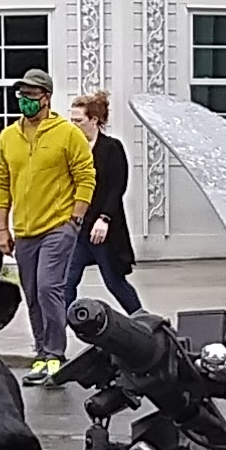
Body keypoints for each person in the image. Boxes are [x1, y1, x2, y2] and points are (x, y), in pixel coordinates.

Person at [0, 67, 93, 379]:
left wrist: (76, 219)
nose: (25, 100)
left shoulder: (68, 134)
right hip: (25, 229)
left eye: (31, 95)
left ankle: (55, 353)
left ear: (46, 97)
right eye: (21, 95)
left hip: (58, 225)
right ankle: (41, 351)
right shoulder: (9, 136)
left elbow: (86, 176)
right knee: (32, 292)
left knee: (49, 286)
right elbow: (2, 182)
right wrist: (1, 227)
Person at [76, 89, 143, 311]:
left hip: (102, 228)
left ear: (94, 120)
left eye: (78, 120)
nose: (73, 125)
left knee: (114, 281)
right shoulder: (72, 148)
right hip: (78, 226)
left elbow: (116, 187)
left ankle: (144, 321)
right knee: (66, 281)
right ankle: (57, 328)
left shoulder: (111, 148)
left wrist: (104, 218)